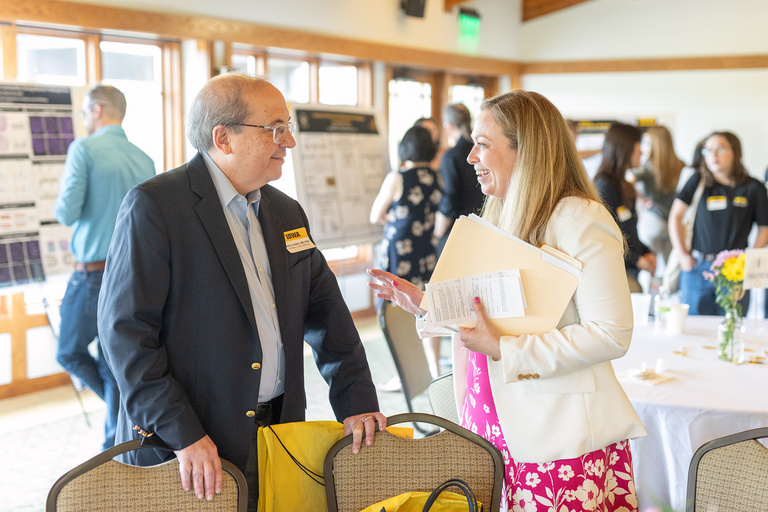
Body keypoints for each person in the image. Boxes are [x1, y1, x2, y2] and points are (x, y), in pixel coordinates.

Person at [98, 74, 384, 510]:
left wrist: (357, 399)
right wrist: (184, 434)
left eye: (288, 127)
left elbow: (327, 313)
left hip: (277, 432)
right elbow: (126, 336)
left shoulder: (286, 212)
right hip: (188, 446)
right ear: (223, 138)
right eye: (274, 128)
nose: (288, 141)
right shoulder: (156, 206)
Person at [369, 90, 646, 512]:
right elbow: (496, 315)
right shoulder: (498, 213)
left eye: (483, 144)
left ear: (527, 150)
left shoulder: (580, 218)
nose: (469, 157)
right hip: (489, 416)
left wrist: (504, 349)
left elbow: (611, 334)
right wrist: (427, 304)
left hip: (556, 434)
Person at [54, 84, 155, 451]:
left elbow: (66, 212)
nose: (83, 120)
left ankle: (120, 416)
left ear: (97, 110)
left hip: (93, 274)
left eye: (84, 113)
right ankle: (119, 430)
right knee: (116, 362)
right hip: (133, 274)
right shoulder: (143, 158)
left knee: (68, 351)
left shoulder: (84, 149)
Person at [369, 124, 442, 377]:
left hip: (400, 249)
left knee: (398, 307)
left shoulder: (397, 177)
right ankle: (432, 368)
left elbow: (375, 215)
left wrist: (396, 219)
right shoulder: (436, 176)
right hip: (426, 249)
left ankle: (406, 374)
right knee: (427, 305)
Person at [669, 131, 768, 315]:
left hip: (734, 270)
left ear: (735, 152)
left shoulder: (754, 187)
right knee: (694, 328)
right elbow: (675, 216)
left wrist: (749, 261)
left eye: (720, 149)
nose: (713, 155)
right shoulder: (697, 181)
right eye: (708, 151)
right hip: (697, 267)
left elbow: (764, 229)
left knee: (731, 326)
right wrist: (683, 255)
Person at [594, 122, 656, 293]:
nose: (642, 152)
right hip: (615, 275)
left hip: (629, 272)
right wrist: (636, 259)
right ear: (626, 149)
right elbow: (606, 236)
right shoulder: (604, 186)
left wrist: (646, 252)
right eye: (639, 147)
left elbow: (628, 232)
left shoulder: (625, 185)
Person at [628, 125, 685, 274]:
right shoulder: (681, 165)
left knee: (653, 267)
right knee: (670, 267)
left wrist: (641, 198)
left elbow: (629, 178)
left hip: (653, 221)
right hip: (673, 222)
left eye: (646, 143)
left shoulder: (646, 167)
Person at [433, 103, 485, 257]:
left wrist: (438, 232)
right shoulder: (481, 150)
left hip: (457, 232)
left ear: (449, 126)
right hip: (484, 227)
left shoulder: (451, 156)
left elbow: (450, 198)